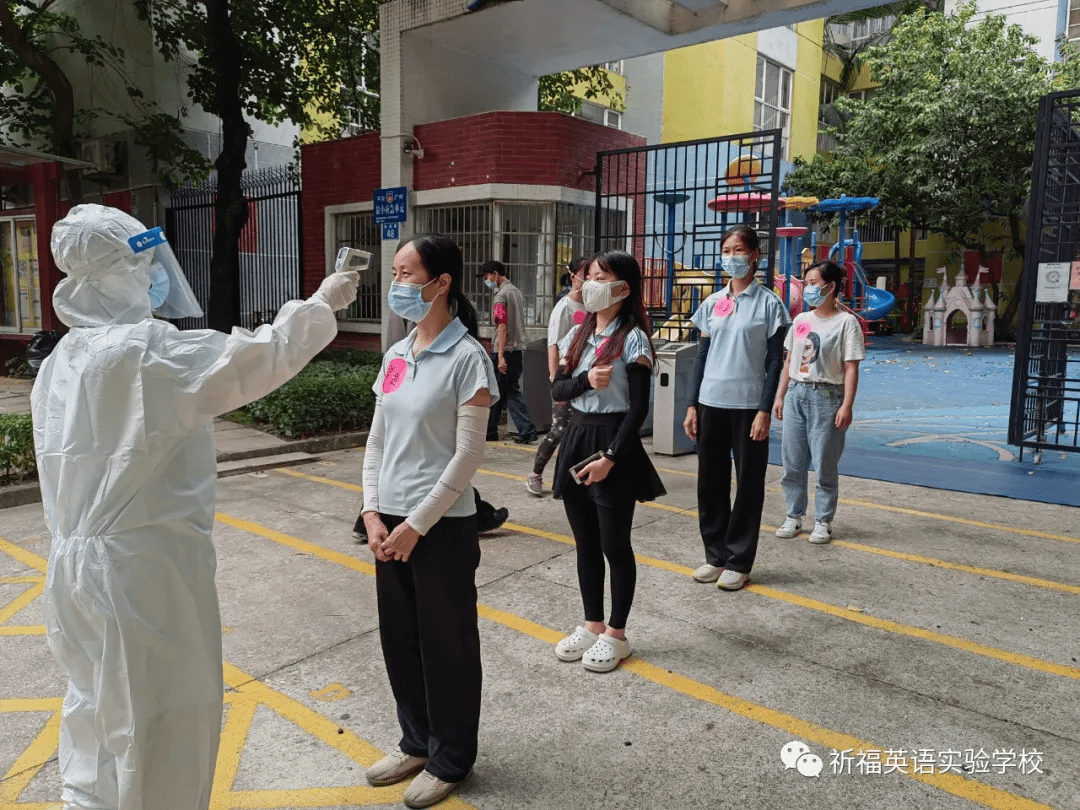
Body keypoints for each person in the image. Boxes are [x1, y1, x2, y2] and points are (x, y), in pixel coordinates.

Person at [31, 204, 360, 810]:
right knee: (163, 727)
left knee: (93, 714)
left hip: (74, 568)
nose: (155, 275)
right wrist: (321, 304)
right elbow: (257, 358)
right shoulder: (143, 354)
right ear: (119, 272)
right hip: (141, 573)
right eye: (144, 263)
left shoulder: (62, 359)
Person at [359, 234, 497, 809]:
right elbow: (376, 440)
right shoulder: (396, 355)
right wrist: (370, 511)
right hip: (387, 523)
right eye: (395, 271)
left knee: (448, 645)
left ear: (441, 283)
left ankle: (451, 758)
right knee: (401, 640)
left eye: (408, 273)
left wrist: (415, 524)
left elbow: (466, 457)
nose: (397, 283)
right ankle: (416, 741)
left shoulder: (469, 358)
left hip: (438, 527)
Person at [550, 251, 665, 673]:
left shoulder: (633, 338)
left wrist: (612, 457)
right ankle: (592, 623)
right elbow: (559, 389)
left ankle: (617, 634)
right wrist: (586, 379)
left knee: (614, 544)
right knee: (585, 544)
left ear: (623, 288)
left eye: (602, 277)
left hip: (613, 441)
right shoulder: (577, 334)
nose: (590, 283)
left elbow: (638, 409)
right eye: (590, 276)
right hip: (577, 437)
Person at [684, 226, 790, 591]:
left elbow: (776, 361)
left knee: (748, 485)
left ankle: (740, 560)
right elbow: (701, 356)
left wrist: (765, 409)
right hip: (711, 402)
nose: (732, 256)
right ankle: (715, 555)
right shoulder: (713, 303)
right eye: (726, 250)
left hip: (748, 408)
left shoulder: (769, 304)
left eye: (739, 249)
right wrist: (692, 405)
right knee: (710, 484)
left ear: (755, 255)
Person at [772, 260, 865, 544]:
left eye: (814, 283)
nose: (809, 288)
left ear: (831, 286)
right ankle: (793, 515)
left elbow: (851, 367)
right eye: (807, 283)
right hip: (796, 395)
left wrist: (846, 405)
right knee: (793, 461)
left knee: (825, 464)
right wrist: (780, 395)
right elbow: (790, 360)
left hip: (827, 398)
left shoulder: (846, 323)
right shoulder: (801, 321)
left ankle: (823, 521)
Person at [526, 256, 588, 496]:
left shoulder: (591, 306)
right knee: (560, 429)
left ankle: (573, 479)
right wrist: (555, 379)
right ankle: (535, 474)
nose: (590, 279)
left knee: (580, 429)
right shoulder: (564, 307)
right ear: (573, 276)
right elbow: (553, 345)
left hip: (584, 378)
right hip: (566, 377)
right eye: (586, 274)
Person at [480, 260, 537, 444]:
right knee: (509, 390)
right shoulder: (516, 292)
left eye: (487, 276)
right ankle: (521, 430)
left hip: (505, 350)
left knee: (498, 390)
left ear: (495, 274)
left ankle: (493, 431)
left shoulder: (501, 296)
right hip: (517, 349)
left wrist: (501, 355)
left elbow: (502, 325)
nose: (486, 280)